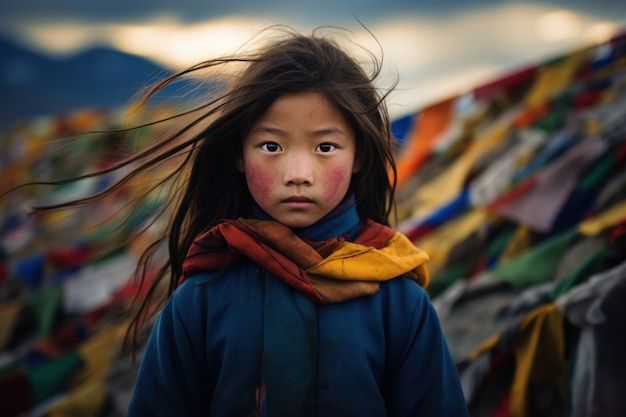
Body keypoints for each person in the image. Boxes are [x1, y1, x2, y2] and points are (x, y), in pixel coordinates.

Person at [118, 26, 469, 416]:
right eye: (271, 146)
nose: (298, 173)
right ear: (239, 154)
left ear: (359, 158)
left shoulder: (400, 304)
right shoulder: (200, 300)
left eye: (325, 146)